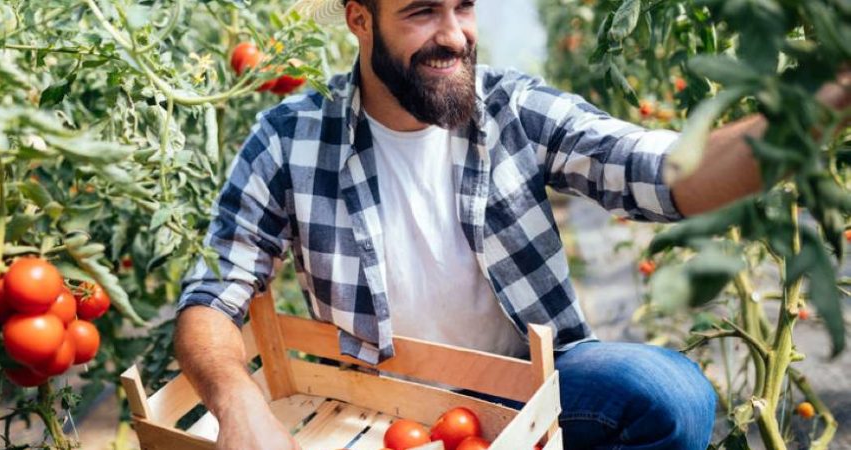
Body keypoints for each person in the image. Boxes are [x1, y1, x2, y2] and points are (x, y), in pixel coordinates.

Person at [173, 0, 851, 448]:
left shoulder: (511, 108)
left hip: (538, 383)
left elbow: (672, 171)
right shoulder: (291, 137)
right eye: (420, 12)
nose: (453, 33)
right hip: (381, 404)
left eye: (462, 6)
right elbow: (215, 293)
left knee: (669, 395)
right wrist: (238, 401)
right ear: (359, 18)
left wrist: (831, 96)